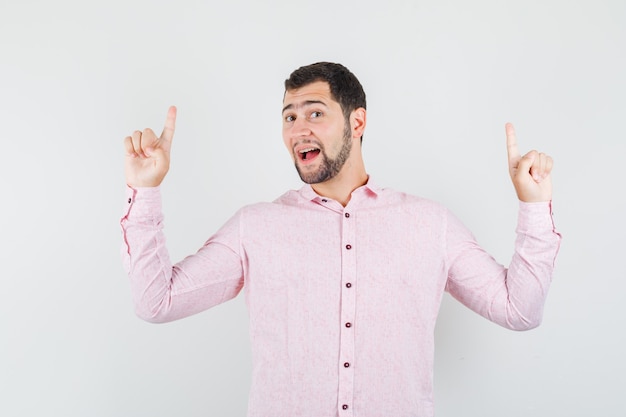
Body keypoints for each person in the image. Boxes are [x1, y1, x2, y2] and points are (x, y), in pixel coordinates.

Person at [120, 62, 561, 417]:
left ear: (357, 121)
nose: (298, 130)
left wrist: (534, 206)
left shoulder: (430, 224)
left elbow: (519, 310)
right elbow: (157, 302)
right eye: (289, 117)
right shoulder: (256, 226)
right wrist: (145, 191)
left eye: (315, 113)